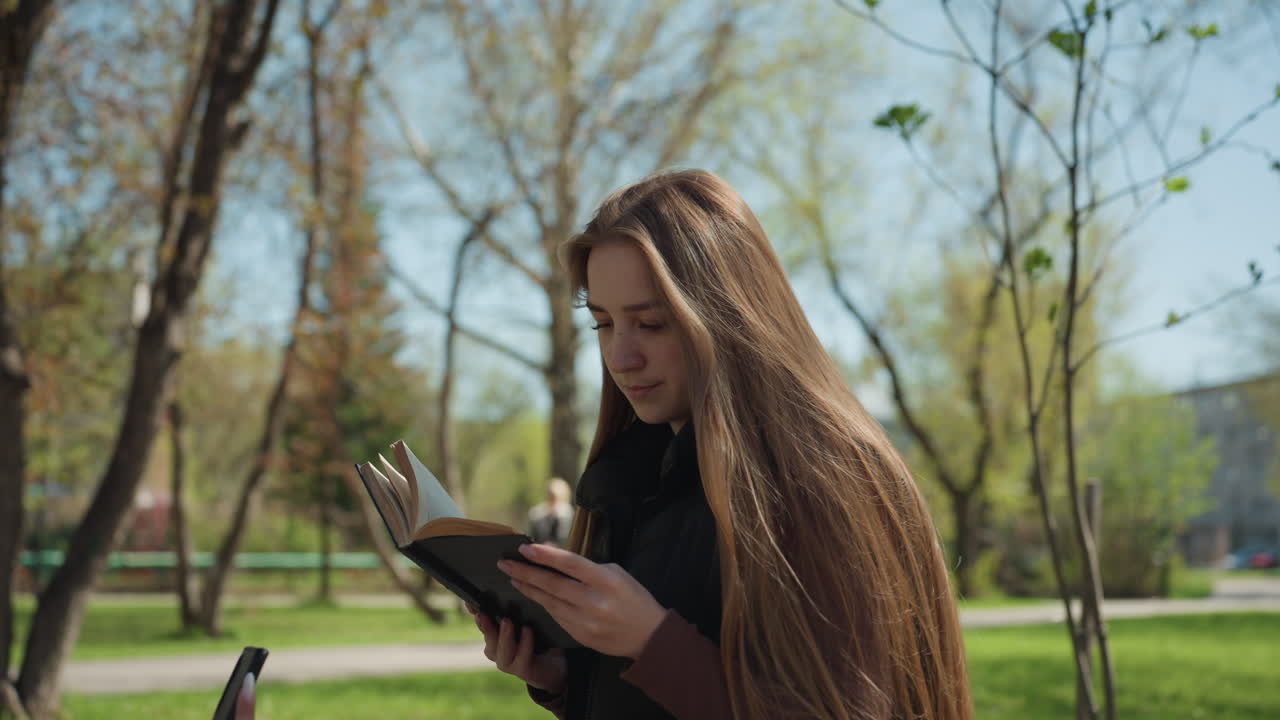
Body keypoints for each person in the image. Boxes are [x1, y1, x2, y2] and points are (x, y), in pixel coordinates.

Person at [473, 169, 973, 720]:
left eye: (652, 324)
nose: (621, 357)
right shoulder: (636, 480)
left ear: (732, 319)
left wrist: (653, 642)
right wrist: (574, 678)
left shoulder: (827, 477)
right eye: (604, 324)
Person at [527, 477, 574, 547]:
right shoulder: (537, 514)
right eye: (551, 496)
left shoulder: (569, 516)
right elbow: (532, 536)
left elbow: (566, 538)